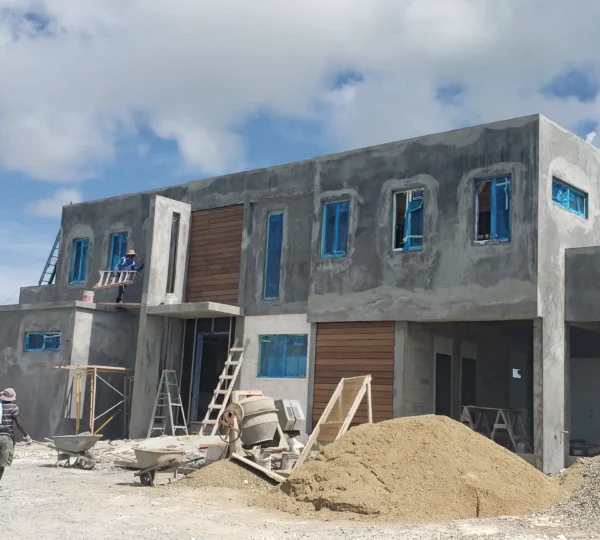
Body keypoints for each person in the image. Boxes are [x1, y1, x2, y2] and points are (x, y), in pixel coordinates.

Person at [0, 388, 31, 485]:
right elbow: (19, 423)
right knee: (2, 463)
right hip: (6, 438)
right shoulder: (13, 407)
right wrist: (27, 436)